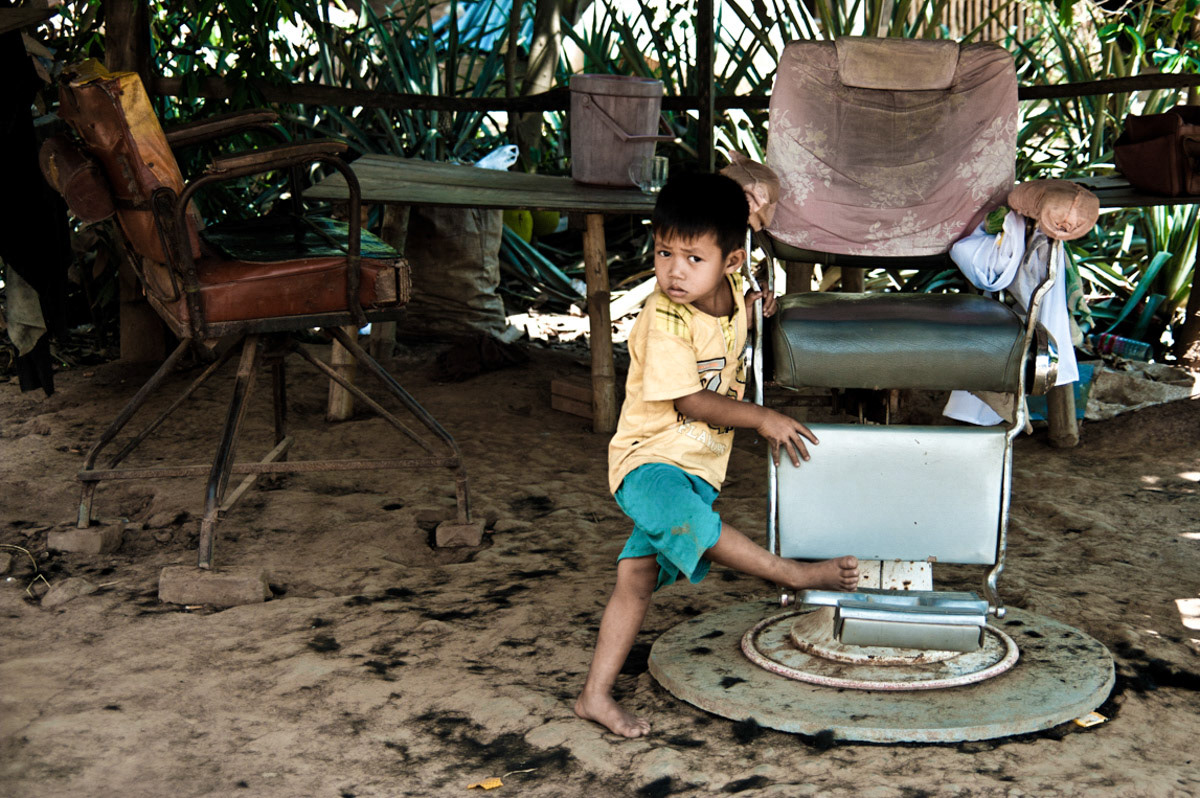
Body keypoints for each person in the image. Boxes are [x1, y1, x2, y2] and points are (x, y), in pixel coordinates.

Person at [574, 172, 860, 738]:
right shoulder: (663, 318)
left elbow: (731, 329)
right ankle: (792, 574)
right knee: (694, 526)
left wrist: (755, 309)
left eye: (692, 258)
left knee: (635, 578)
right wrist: (763, 418)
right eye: (664, 253)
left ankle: (594, 696)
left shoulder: (730, 293)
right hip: (648, 462)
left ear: (730, 261)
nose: (674, 272)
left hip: (699, 467)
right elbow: (690, 399)